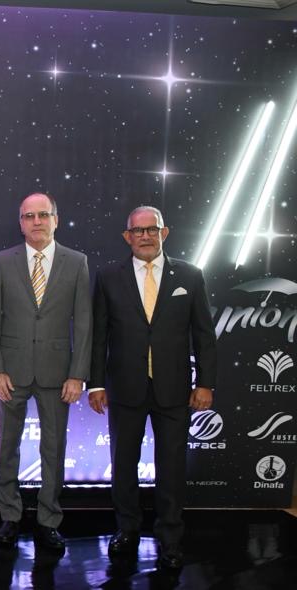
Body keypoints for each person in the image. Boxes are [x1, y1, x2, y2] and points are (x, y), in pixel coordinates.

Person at [88, 205, 216, 570]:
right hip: (124, 387)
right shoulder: (108, 276)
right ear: (127, 236)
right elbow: (99, 336)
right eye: (137, 230)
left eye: (152, 229)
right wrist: (95, 384)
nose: (145, 236)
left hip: (174, 390)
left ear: (164, 232)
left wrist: (206, 383)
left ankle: (170, 538)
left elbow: (204, 335)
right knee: (123, 464)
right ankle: (126, 530)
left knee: (171, 468)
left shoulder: (190, 275)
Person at [0, 193, 92, 551]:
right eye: (29, 216)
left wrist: (78, 374)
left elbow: (84, 323)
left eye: (43, 215)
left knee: (54, 448)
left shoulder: (77, 262)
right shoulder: (3, 261)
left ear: (55, 220)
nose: (36, 222)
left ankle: (49, 519)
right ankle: (9, 515)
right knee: (7, 447)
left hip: (57, 373)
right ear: (21, 223)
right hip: (11, 372)